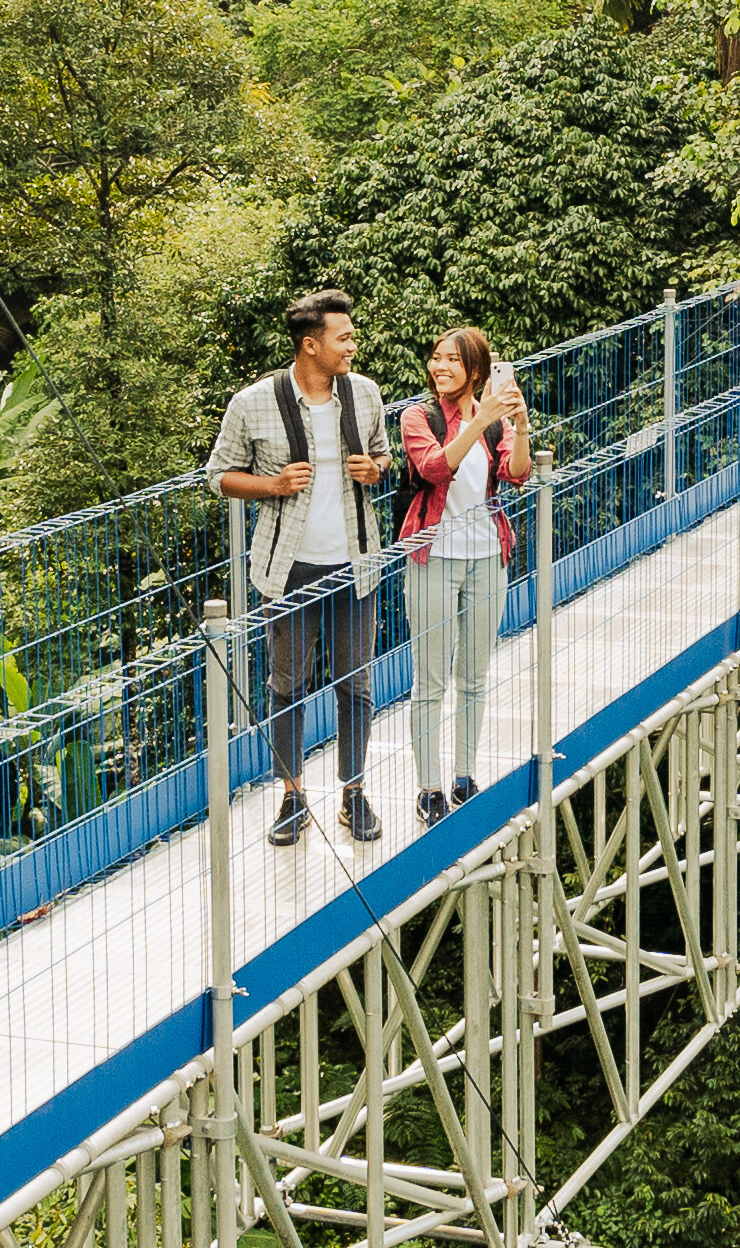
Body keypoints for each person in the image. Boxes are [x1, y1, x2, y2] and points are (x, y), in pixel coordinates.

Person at [206, 289, 388, 846]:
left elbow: (383, 454)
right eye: (344, 338)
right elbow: (218, 476)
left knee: (356, 684)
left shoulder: (365, 394)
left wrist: (376, 469)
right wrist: (273, 485)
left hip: (356, 564)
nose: (353, 346)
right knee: (287, 685)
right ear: (311, 345)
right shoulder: (252, 403)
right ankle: (292, 796)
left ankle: (353, 794)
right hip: (287, 570)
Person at [392, 326, 534, 811]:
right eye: (436, 358)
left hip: (487, 559)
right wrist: (480, 420)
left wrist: (519, 423)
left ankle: (464, 776)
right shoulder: (419, 417)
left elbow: (516, 474)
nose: (440, 367)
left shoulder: (494, 421)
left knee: (474, 677)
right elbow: (434, 468)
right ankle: (429, 787)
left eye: (452, 360)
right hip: (433, 559)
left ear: (477, 370)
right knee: (430, 680)